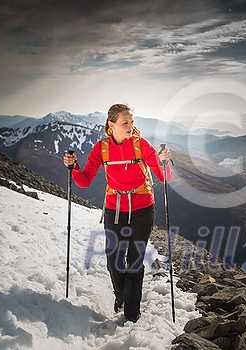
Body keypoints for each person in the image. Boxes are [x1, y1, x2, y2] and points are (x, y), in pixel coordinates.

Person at [63, 103, 172, 322]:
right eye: (126, 122)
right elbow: (84, 181)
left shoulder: (141, 145)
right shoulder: (102, 148)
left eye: (132, 122)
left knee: (134, 260)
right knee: (114, 261)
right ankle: (121, 295)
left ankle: (132, 313)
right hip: (114, 209)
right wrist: (73, 167)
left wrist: (164, 161)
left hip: (142, 209)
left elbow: (164, 177)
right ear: (111, 124)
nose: (131, 126)